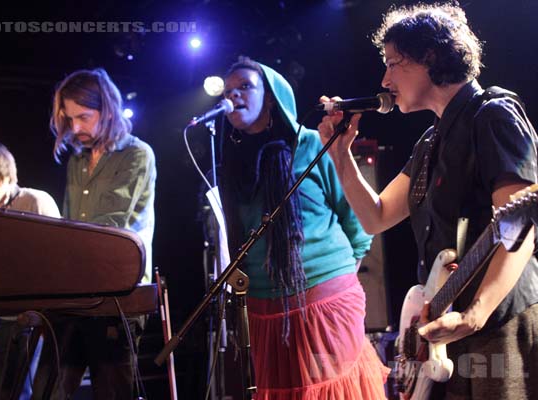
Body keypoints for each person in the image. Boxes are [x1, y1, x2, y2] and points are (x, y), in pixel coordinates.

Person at [318, 2, 538, 399]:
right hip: (448, 328)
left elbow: (520, 227)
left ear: (430, 57)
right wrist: (340, 154)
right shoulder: (429, 142)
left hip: (497, 319)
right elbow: (376, 217)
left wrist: (475, 314)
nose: (384, 79)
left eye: (392, 62)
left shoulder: (493, 115)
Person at [218, 56, 389, 399]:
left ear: (270, 96)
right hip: (265, 308)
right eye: (228, 90)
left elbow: (356, 220)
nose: (234, 95)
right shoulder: (229, 163)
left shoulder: (311, 143)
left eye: (245, 87)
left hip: (326, 297)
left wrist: (332, 285)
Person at [35, 68, 156, 399]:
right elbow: (70, 222)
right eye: (69, 118)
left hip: (117, 295)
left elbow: (110, 224)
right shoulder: (77, 160)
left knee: (113, 393)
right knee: (49, 389)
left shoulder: (136, 154)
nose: (75, 128)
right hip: (75, 294)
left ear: (108, 110)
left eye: (84, 117)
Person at [0, 140, 61, 399]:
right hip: (4, 319)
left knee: (27, 391)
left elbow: (59, 259)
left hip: (38, 317)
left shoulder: (36, 201)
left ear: (7, 175)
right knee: (4, 393)